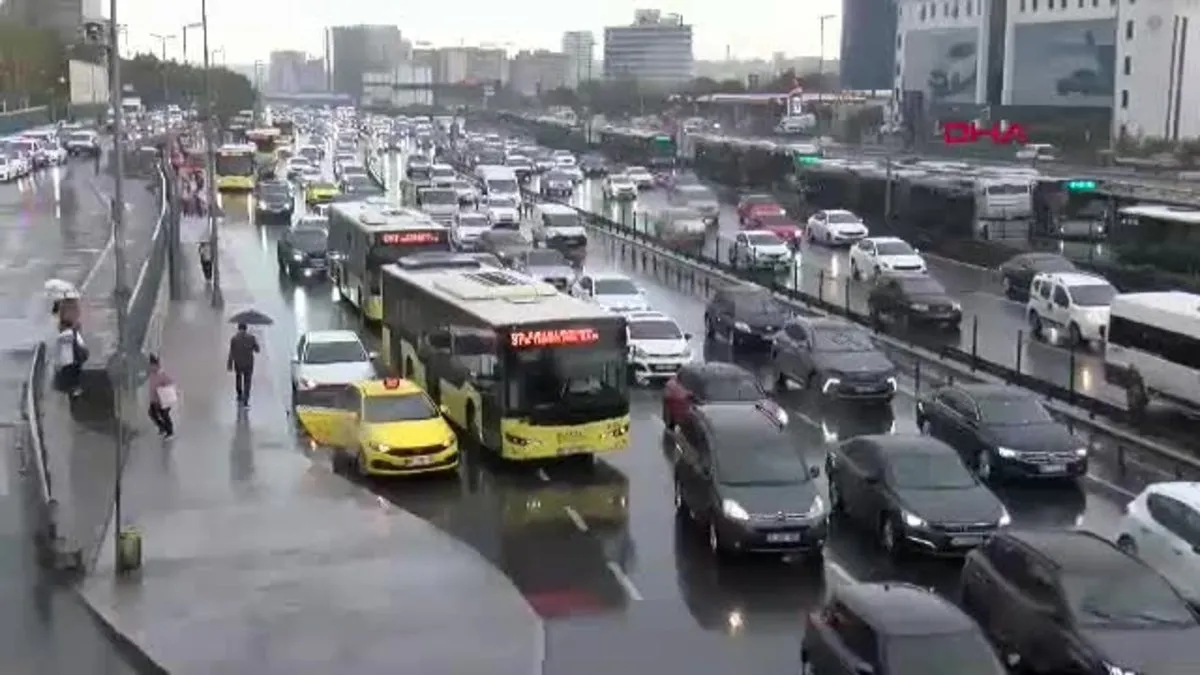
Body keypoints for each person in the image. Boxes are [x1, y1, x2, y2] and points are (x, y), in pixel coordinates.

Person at [226, 322, 259, 407]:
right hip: (249, 363)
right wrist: (255, 343)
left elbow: (231, 352)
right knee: (247, 382)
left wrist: (230, 364)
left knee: (238, 378)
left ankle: (239, 394)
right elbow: (257, 350)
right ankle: (246, 400)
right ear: (246, 328)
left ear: (238, 328)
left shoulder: (234, 338)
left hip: (238, 363)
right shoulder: (251, 338)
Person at [55, 318, 87, 397]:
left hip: (64, 361)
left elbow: (57, 350)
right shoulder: (74, 334)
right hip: (74, 360)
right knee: (75, 378)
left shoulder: (59, 337)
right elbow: (82, 345)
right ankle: (76, 392)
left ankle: (68, 393)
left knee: (67, 378)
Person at [146, 354, 175, 439]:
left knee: (164, 415)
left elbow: (170, 382)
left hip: (163, 400)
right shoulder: (151, 374)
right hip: (154, 399)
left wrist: (163, 389)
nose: (150, 367)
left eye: (151, 365)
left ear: (155, 365)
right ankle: (162, 428)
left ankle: (170, 432)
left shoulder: (161, 373)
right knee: (152, 413)